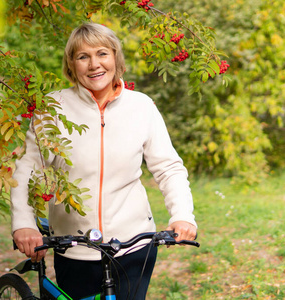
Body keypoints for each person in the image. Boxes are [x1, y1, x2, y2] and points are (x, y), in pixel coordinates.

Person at [10, 23, 197, 299]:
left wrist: (182, 216)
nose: (94, 64)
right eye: (83, 56)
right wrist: (23, 223)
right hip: (73, 247)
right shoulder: (53, 108)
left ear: (116, 58)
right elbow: (28, 170)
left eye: (102, 54)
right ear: (71, 65)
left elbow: (168, 168)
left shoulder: (141, 106)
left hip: (133, 246)